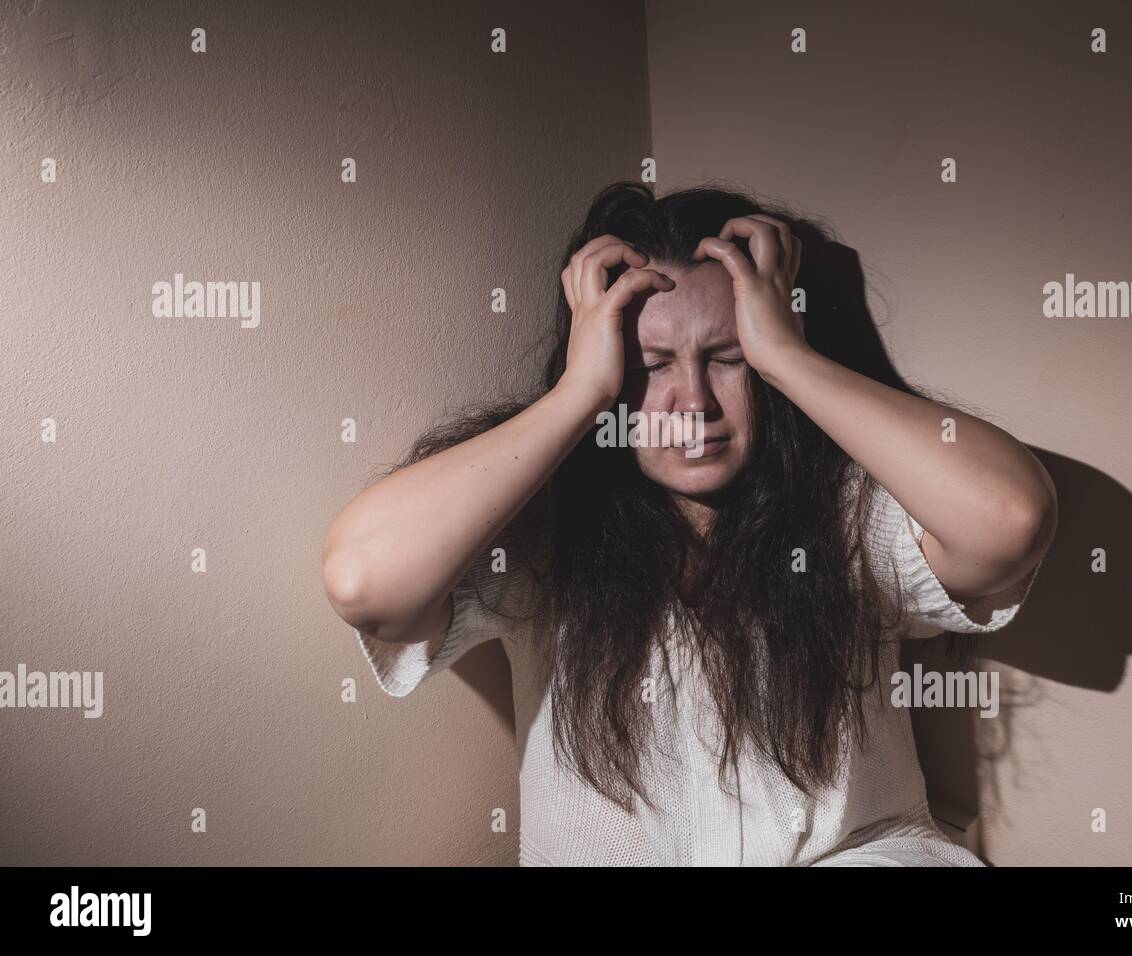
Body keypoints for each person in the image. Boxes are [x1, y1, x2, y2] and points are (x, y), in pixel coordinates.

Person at [321, 181, 1057, 865]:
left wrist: (790, 358)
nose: (692, 402)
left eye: (729, 358)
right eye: (649, 365)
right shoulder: (545, 528)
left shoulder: (843, 512)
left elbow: (1010, 519)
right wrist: (580, 393)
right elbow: (366, 583)